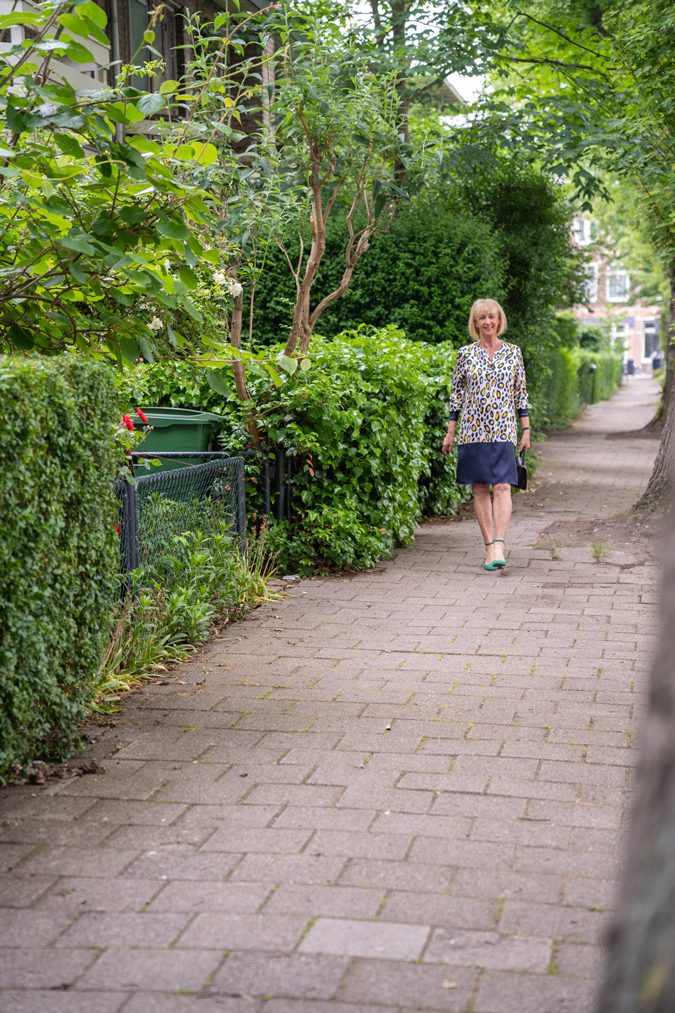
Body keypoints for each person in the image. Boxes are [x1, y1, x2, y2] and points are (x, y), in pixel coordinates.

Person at [442, 298, 531, 571]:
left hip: (504, 428)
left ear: (499, 320)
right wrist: (450, 432)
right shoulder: (465, 354)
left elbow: (520, 394)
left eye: (491, 316)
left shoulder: (513, 353)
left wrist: (526, 429)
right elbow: (456, 396)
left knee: (504, 485)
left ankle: (501, 544)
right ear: (475, 323)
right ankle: (489, 547)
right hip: (472, 431)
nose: (487, 322)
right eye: (482, 318)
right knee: (480, 487)